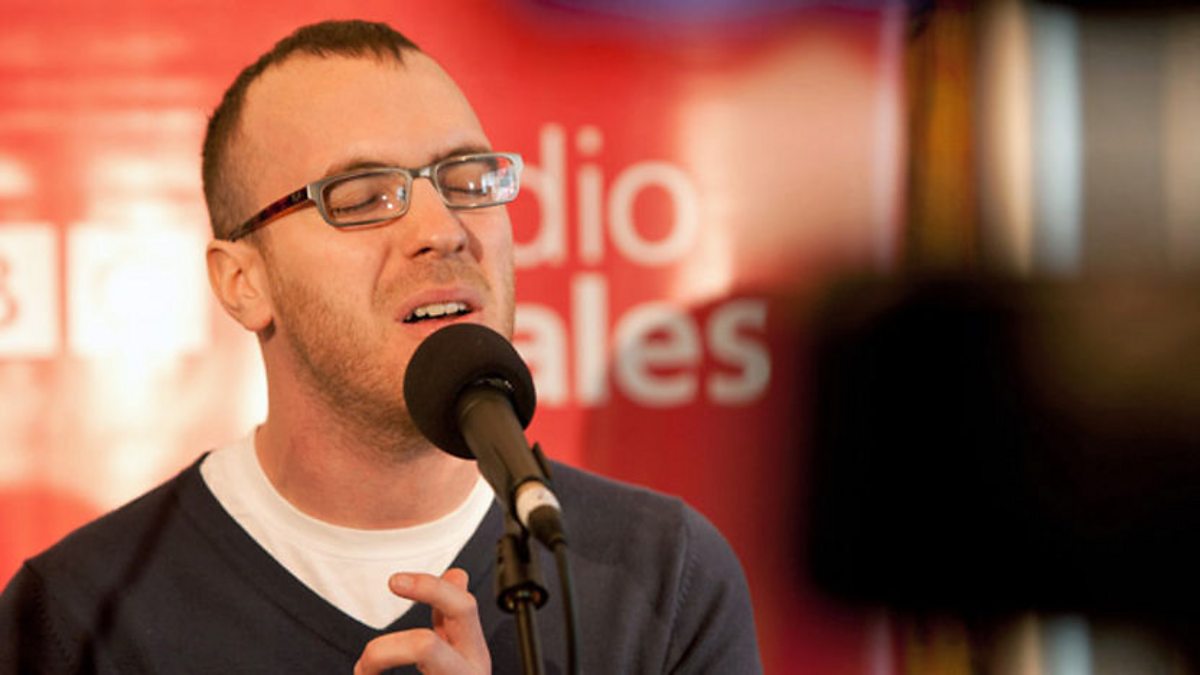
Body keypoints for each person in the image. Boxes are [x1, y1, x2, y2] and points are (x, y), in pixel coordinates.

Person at [0, 19, 761, 674]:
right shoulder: (76, 617)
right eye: (362, 199)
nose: (442, 230)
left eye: (467, 182)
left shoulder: (663, 578)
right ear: (242, 282)